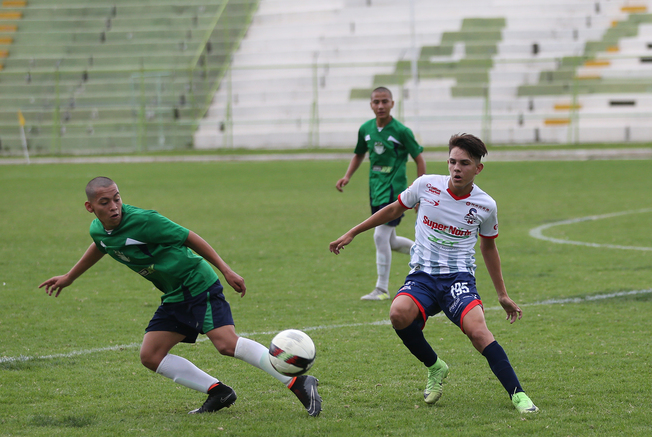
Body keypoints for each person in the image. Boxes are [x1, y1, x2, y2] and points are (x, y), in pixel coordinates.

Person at [39, 176, 321, 416]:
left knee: (225, 343)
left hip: (197, 282)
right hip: (175, 294)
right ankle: (219, 392)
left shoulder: (144, 221)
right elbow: (101, 245)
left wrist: (226, 270)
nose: (114, 207)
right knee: (151, 355)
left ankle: (298, 382)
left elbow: (189, 237)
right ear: (90, 207)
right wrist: (69, 277)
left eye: (117, 198)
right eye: (105, 202)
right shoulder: (98, 230)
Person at [330, 134, 537, 413]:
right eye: (452, 161)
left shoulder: (486, 205)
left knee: (479, 333)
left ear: (478, 168)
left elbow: (489, 248)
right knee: (398, 313)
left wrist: (502, 294)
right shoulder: (426, 185)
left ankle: (519, 396)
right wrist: (353, 231)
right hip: (423, 276)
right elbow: (393, 208)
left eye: (465, 163)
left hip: (458, 279)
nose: (456, 168)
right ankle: (435, 367)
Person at [335, 86, 426, 301]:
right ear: (371, 104)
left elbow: (419, 159)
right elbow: (359, 154)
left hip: (395, 192)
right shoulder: (366, 129)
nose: (381, 106)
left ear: (392, 103)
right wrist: (347, 176)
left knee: (379, 236)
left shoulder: (402, 131)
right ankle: (427, 255)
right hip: (375, 190)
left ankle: (382, 289)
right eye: (376, 102)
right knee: (390, 241)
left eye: (385, 101)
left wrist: (419, 191)